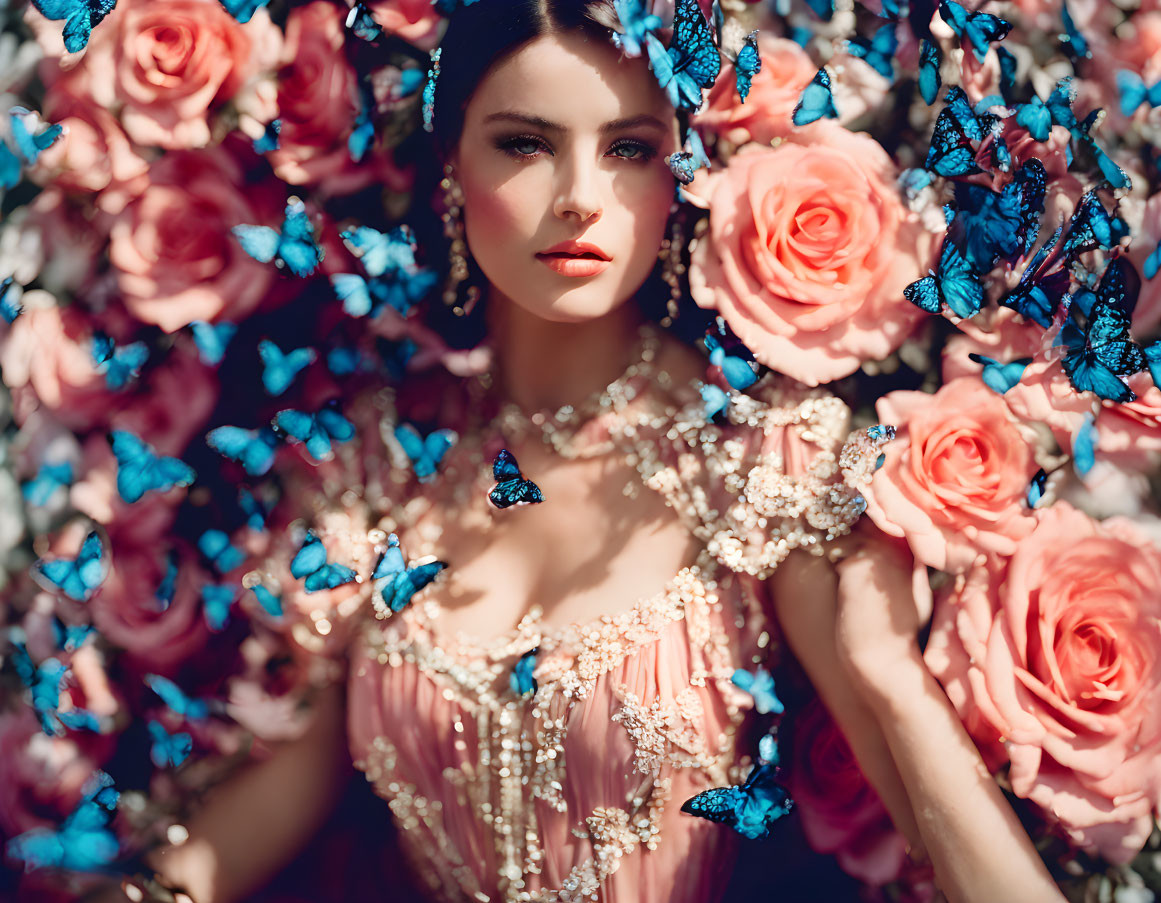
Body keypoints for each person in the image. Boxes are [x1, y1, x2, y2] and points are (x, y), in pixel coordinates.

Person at [117, 2, 1067, 901]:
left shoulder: (760, 457)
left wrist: (886, 670)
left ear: (680, 175)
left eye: (629, 150)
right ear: (450, 165)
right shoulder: (380, 455)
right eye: (525, 144)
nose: (578, 198)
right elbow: (293, 778)